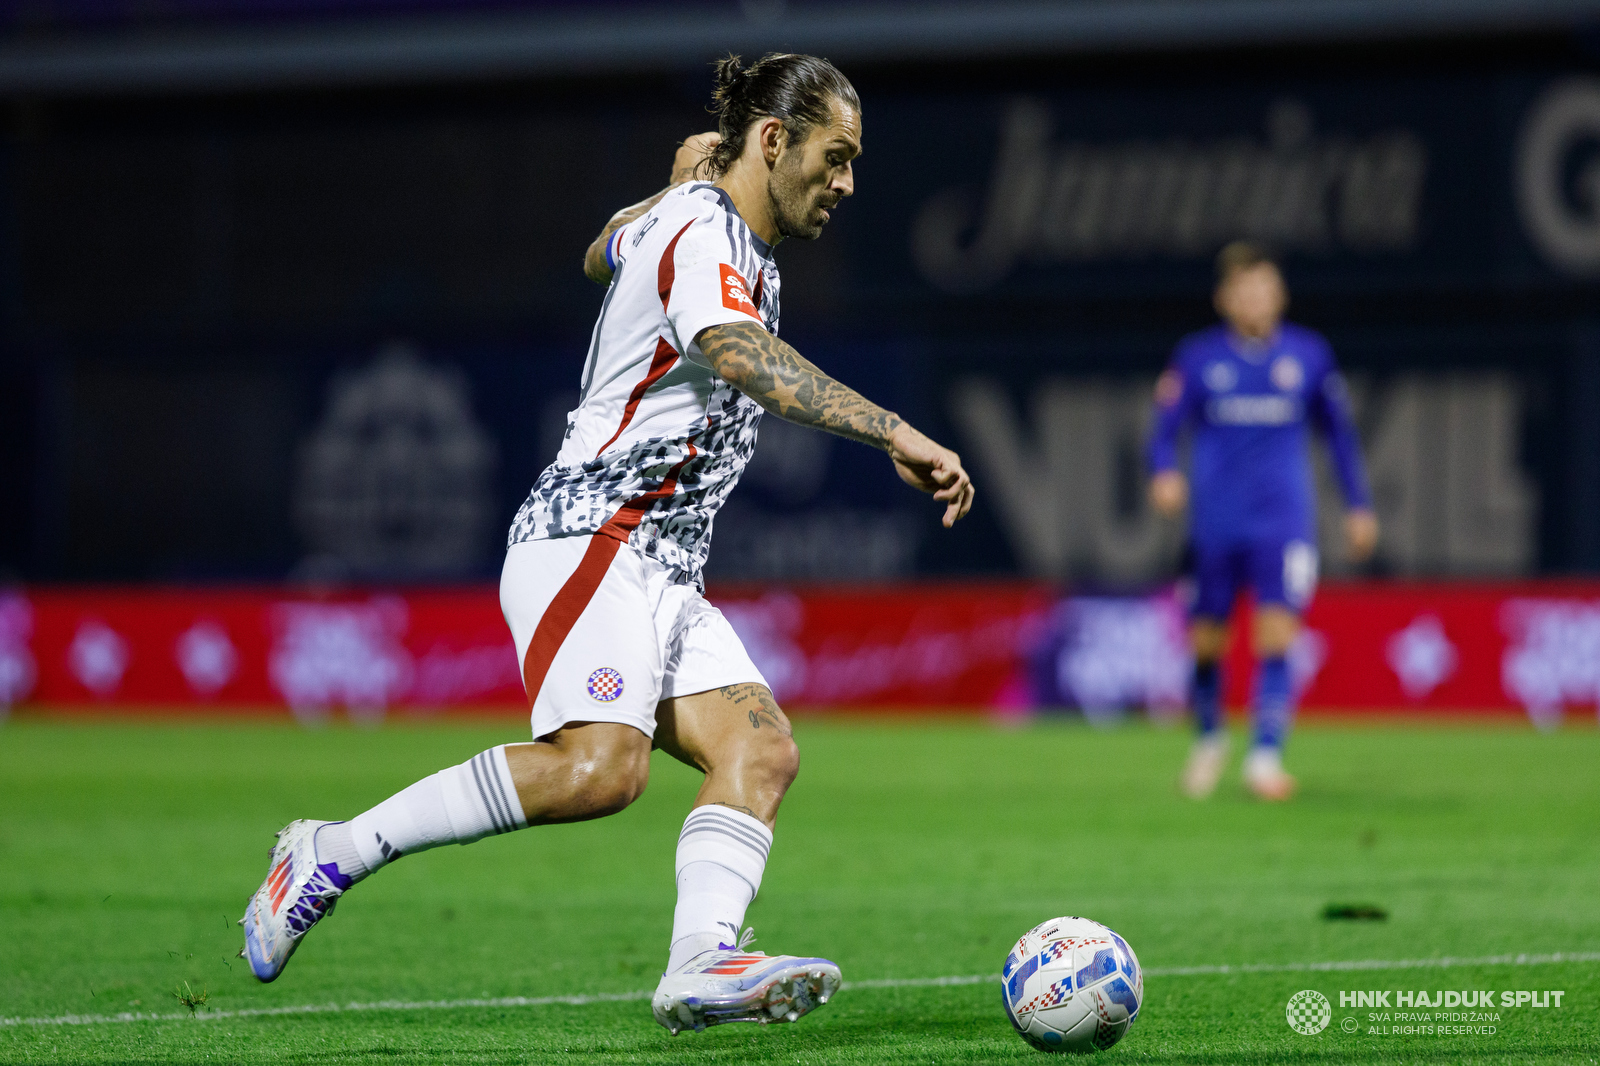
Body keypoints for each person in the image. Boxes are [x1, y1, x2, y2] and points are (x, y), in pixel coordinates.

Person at [239, 53, 974, 1035]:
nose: (846, 183)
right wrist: (891, 427)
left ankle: (701, 962)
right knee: (601, 770)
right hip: (592, 532)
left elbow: (599, 255)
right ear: (772, 140)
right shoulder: (701, 226)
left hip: (663, 562)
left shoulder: (701, 222)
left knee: (760, 753)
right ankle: (328, 850)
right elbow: (737, 354)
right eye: (834, 158)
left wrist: (673, 186)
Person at [1147, 242, 1375, 801]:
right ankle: (1209, 739)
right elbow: (1161, 431)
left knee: (1277, 633)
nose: (1256, 299)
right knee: (1207, 641)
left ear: (1280, 295)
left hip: (1283, 521)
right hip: (1216, 525)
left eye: (1265, 289)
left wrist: (1359, 504)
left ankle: (1265, 757)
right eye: (1245, 290)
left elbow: (1339, 437)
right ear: (1225, 298)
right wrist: (1163, 472)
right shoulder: (1198, 358)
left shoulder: (1309, 356)